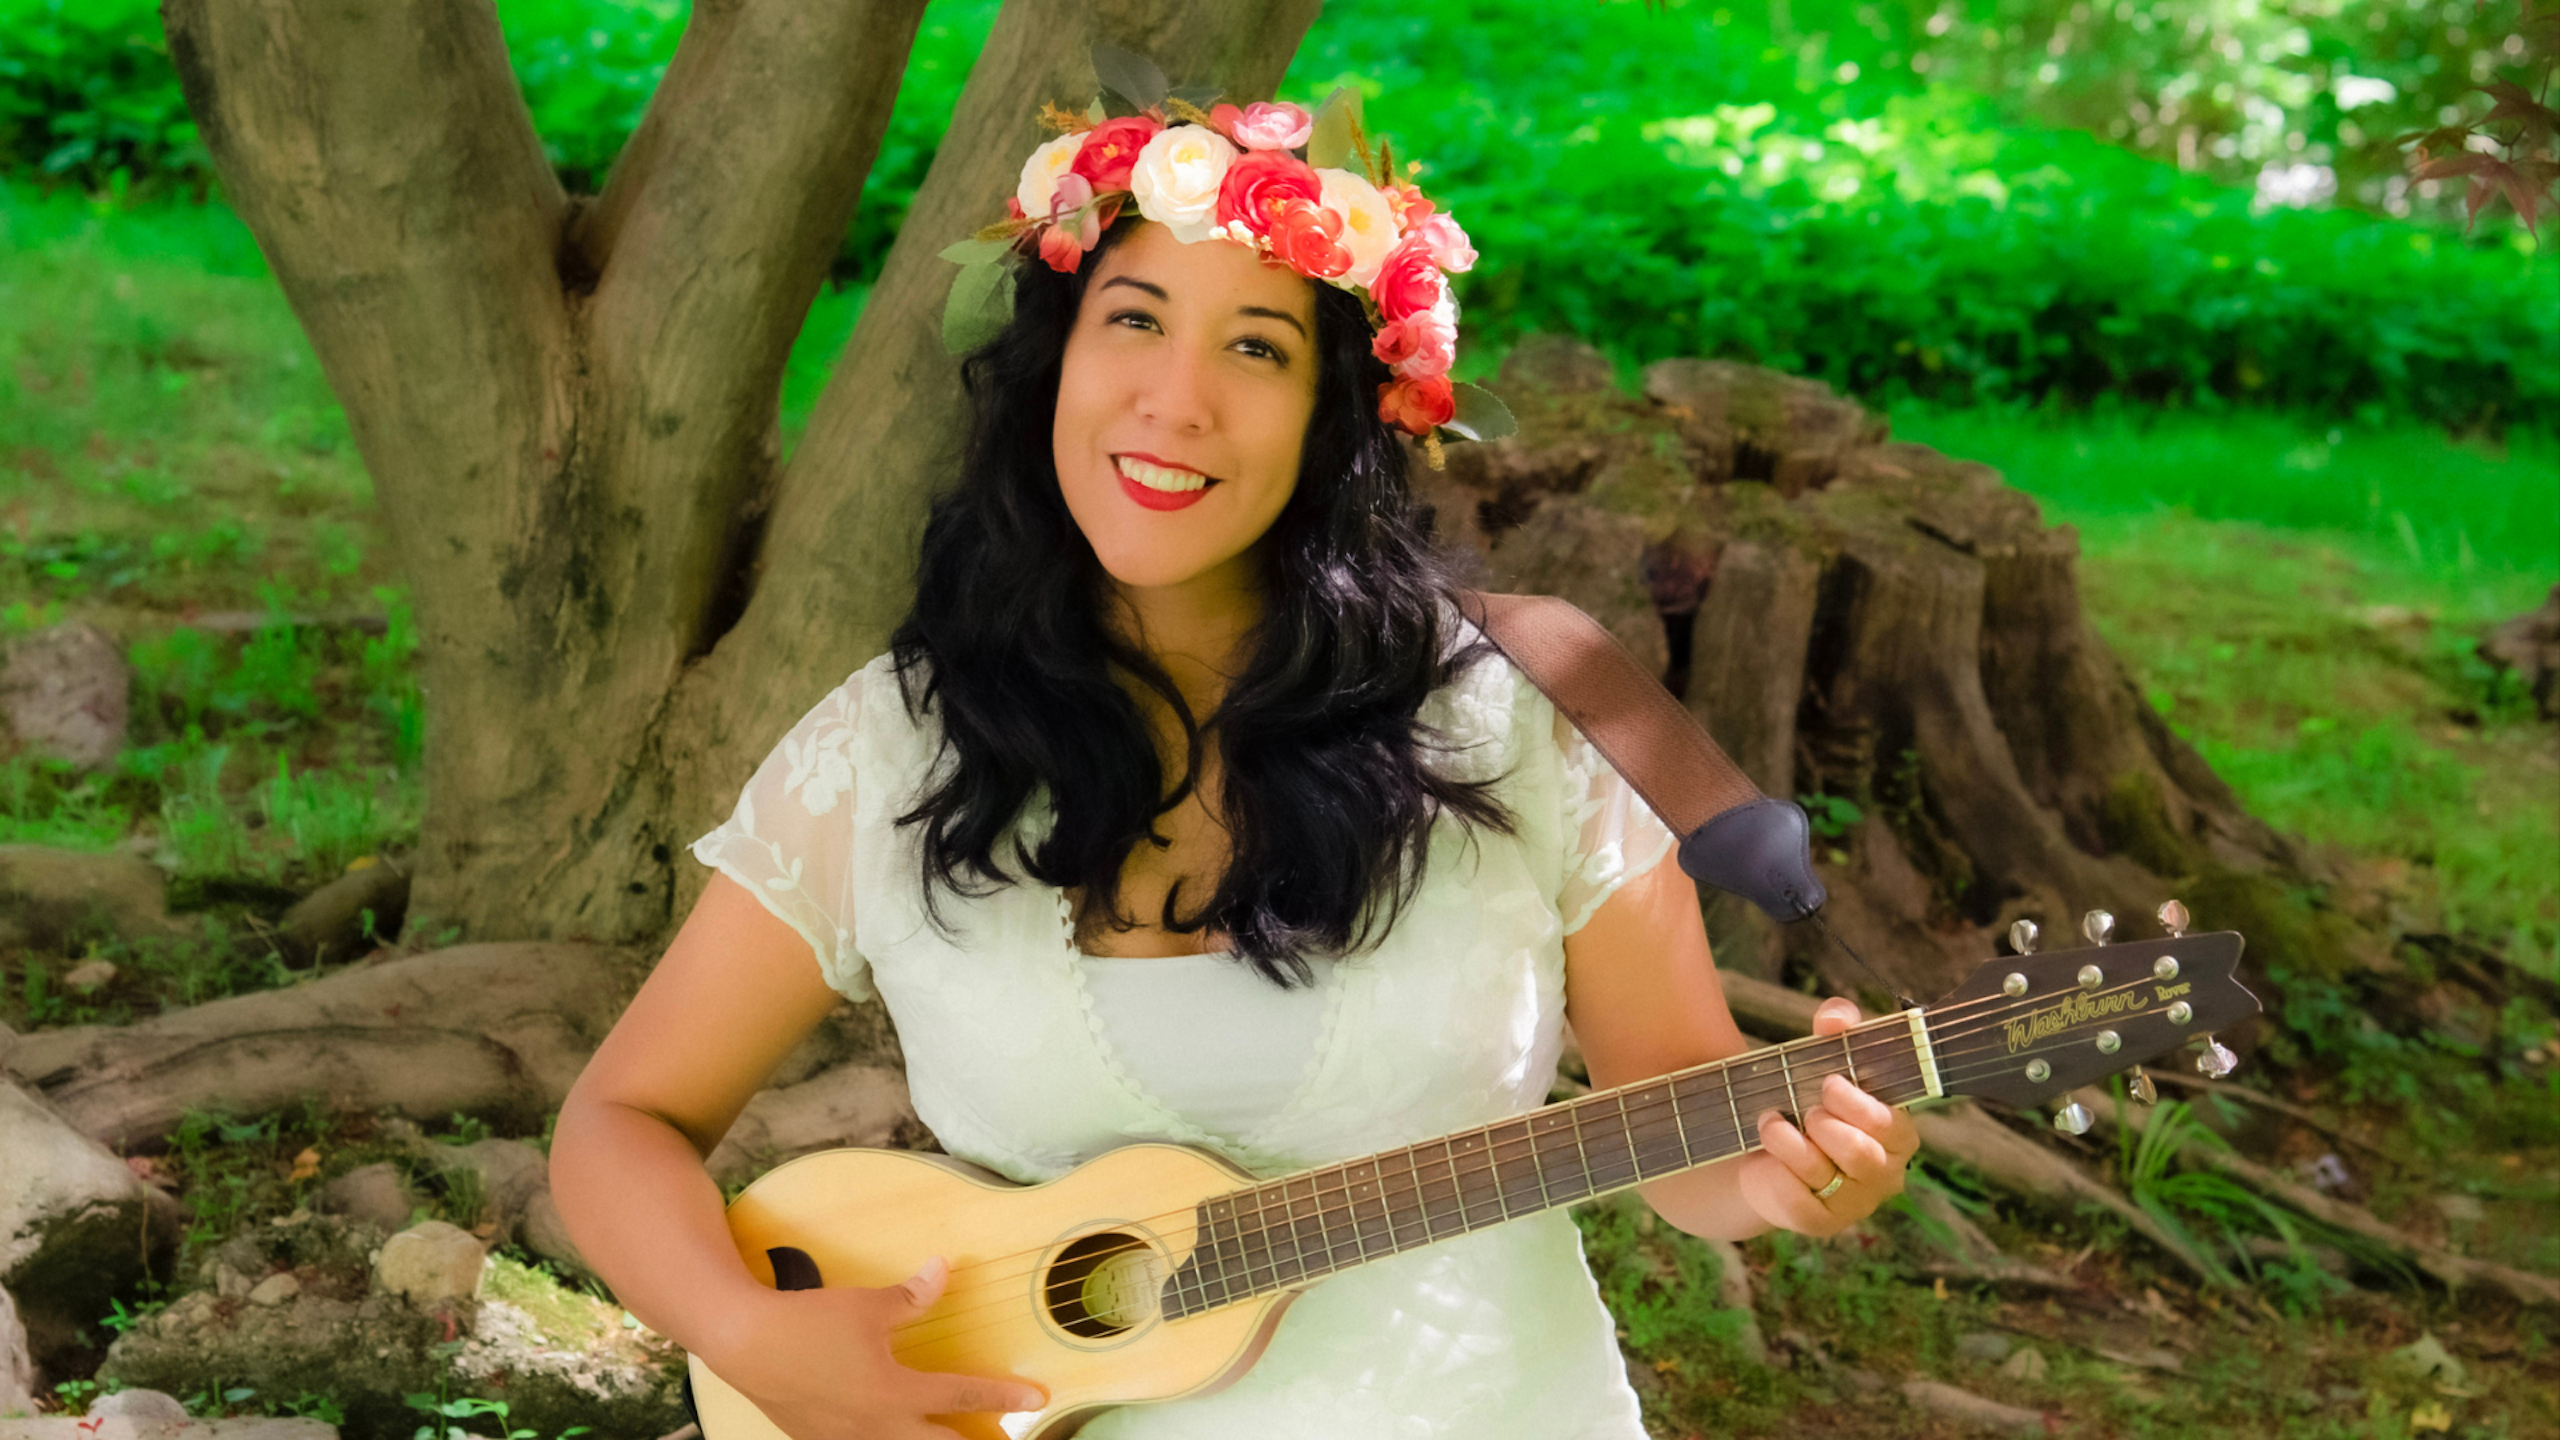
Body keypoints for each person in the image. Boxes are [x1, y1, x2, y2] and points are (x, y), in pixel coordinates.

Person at [549, 91, 1922, 1440]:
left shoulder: (1515, 720)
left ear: (1336, 415)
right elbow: (622, 1119)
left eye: (1257, 349)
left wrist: (1789, 1178)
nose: (1176, 402)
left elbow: (1682, 1121)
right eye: (1134, 320)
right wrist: (747, 1334)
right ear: (1055, 365)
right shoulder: (892, 749)